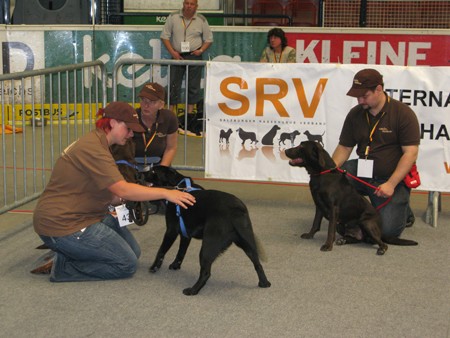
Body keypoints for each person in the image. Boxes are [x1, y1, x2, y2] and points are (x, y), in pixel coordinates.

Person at [31, 101, 196, 281]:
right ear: (113, 123)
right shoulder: (94, 149)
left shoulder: (99, 143)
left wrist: (127, 197)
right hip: (65, 224)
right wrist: (165, 193)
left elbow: (112, 193)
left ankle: (70, 251)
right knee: (126, 265)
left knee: (134, 251)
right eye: (128, 129)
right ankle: (62, 267)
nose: (132, 134)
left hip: (86, 215)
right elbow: (123, 189)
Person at [332, 68, 420, 238]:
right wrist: (330, 170)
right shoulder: (355, 114)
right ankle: (359, 212)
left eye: (364, 96)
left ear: (379, 89)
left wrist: (391, 184)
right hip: (362, 171)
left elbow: (410, 153)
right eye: (357, 96)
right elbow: (344, 147)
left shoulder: (403, 114)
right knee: (334, 180)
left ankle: (404, 210)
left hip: (390, 179)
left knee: (386, 233)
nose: (359, 101)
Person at [160, 0, 213, 117]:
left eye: (192, 4)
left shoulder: (201, 19)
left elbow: (209, 39)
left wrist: (201, 50)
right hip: (177, 55)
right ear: (183, 4)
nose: (189, 6)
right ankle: (170, 115)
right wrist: (172, 53)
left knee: (194, 86)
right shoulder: (173, 17)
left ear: (196, 6)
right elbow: (164, 36)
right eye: (187, 3)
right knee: (173, 86)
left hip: (194, 56)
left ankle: (189, 117)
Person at [132, 82, 178, 166]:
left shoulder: (169, 118)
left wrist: (162, 169)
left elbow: (171, 148)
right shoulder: (131, 118)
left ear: (161, 105)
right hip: (132, 166)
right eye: (143, 100)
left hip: (159, 165)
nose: (146, 105)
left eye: (152, 102)